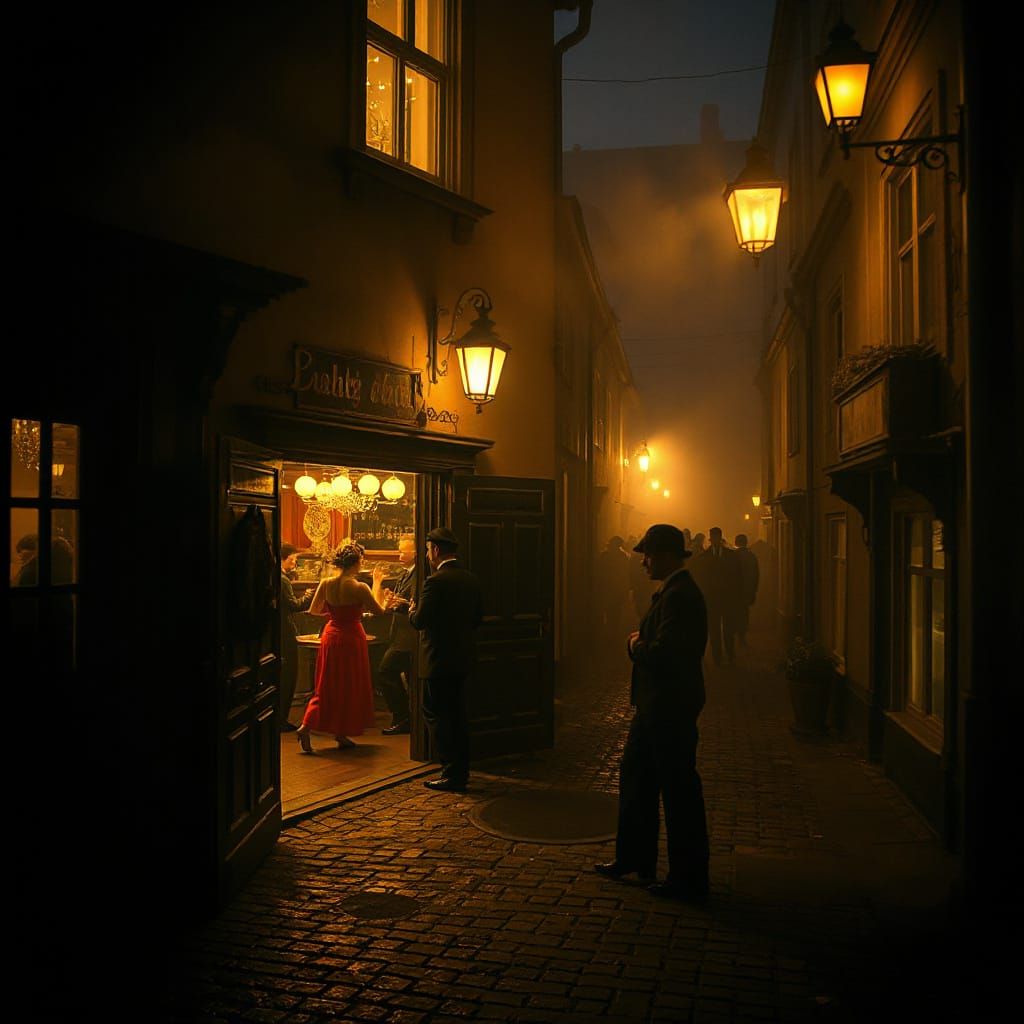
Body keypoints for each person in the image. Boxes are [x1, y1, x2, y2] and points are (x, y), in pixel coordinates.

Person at [595, 523, 710, 903]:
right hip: (654, 708)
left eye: (647, 555)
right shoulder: (673, 592)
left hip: (669, 709)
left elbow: (666, 654)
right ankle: (633, 858)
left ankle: (688, 877)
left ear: (664, 556)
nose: (643, 562)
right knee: (636, 781)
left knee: (678, 794)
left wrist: (635, 645)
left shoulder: (680, 596)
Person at [408, 526, 483, 793]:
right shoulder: (470, 579)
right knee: (458, 715)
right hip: (462, 658)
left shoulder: (434, 582)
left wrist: (412, 609)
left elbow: (420, 621)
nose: (428, 555)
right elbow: (477, 619)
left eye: (428, 550)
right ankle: (461, 769)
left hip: (437, 660)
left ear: (436, 550)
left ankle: (451, 772)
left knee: (438, 715)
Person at [296, 541, 387, 754]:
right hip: (351, 637)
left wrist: (335, 615)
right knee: (349, 684)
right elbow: (379, 610)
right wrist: (377, 584)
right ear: (356, 563)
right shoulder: (359, 587)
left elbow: (314, 611)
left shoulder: (326, 583)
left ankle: (314, 727)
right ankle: (340, 730)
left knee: (326, 684)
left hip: (331, 635)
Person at [376, 534, 418, 735]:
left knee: (386, 671)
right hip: (400, 633)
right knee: (409, 677)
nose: (399, 554)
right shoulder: (405, 573)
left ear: (415, 553)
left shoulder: (420, 574)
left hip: (408, 636)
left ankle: (403, 717)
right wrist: (392, 598)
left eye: (403, 551)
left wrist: (400, 603)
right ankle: (408, 717)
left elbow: (414, 603)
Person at [691, 526, 741, 667]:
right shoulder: (703, 557)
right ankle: (717, 656)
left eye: (715, 538)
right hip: (711, 599)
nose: (714, 540)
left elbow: (737, 577)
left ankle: (730, 653)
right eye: (712, 538)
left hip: (727, 598)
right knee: (713, 628)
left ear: (719, 538)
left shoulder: (731, 556)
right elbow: (700, 579)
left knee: (728, 628)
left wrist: (737, 596)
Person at [278, 543, 313, 731]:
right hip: (285, 631)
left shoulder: (279, 576)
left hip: (278, 630)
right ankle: (282, 719)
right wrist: (308, 596)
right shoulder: (282, 580)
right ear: (285, 557)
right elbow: (294, 605)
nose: (296, 561)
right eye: (294, 558)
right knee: (289, 673)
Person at [733, 534, 760, 648]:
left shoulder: (733, 556)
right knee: (744, 613)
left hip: (734, 591)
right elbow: (756, 575)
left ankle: (734, 634)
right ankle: (742, 635)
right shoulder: (751, 556)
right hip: (747, 590)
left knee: (734, 613)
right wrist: (754, 590)